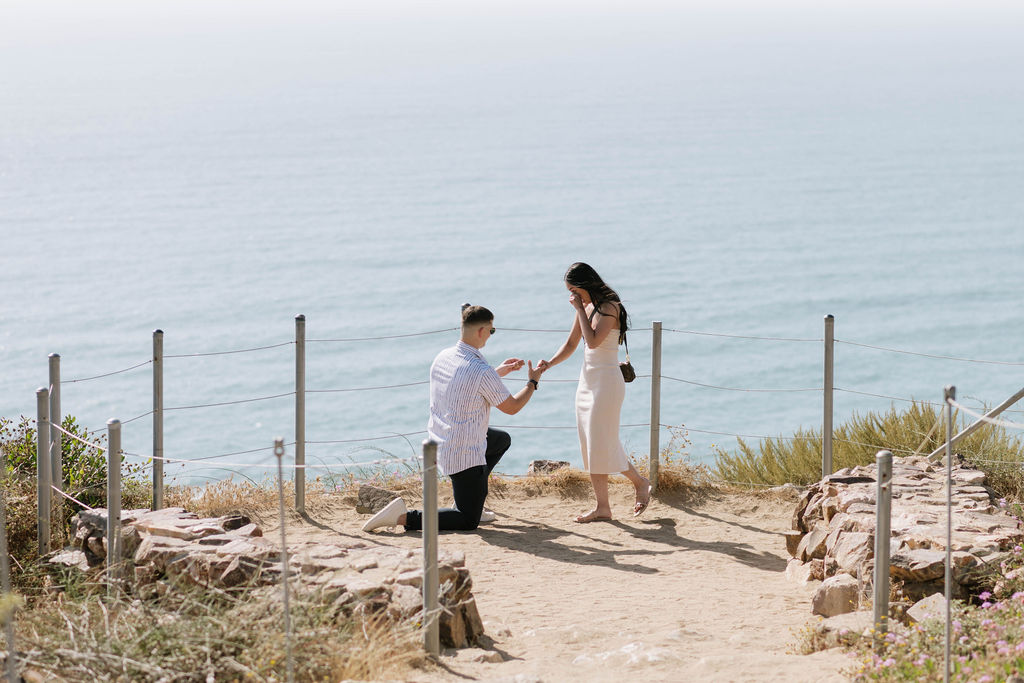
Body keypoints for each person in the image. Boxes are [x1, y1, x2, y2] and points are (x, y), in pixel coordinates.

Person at [362, 304, 547, 533]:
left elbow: (464, 385)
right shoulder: (480, 370)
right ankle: (403, 517)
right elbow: (512, 407)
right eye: (491, 330)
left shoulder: (444, 357)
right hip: (464, 453)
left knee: (500, 440)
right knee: (468, 521)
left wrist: (498, 372)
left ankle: (470, 496)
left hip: (440, 442)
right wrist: (533, 382)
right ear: (481, 331)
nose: (491, 335)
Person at [540, 262, 652, 522]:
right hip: (587, 380)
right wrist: (549, 364)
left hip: (607, 382)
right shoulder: (587, 306)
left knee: (602, 441)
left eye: (575, 291)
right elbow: (571, 344)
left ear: (585, 286)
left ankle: (640, 483)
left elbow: (591, 341)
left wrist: (580, 308)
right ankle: (603, 507)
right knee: (591, 443)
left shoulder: (609, 307)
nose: (573, 297)